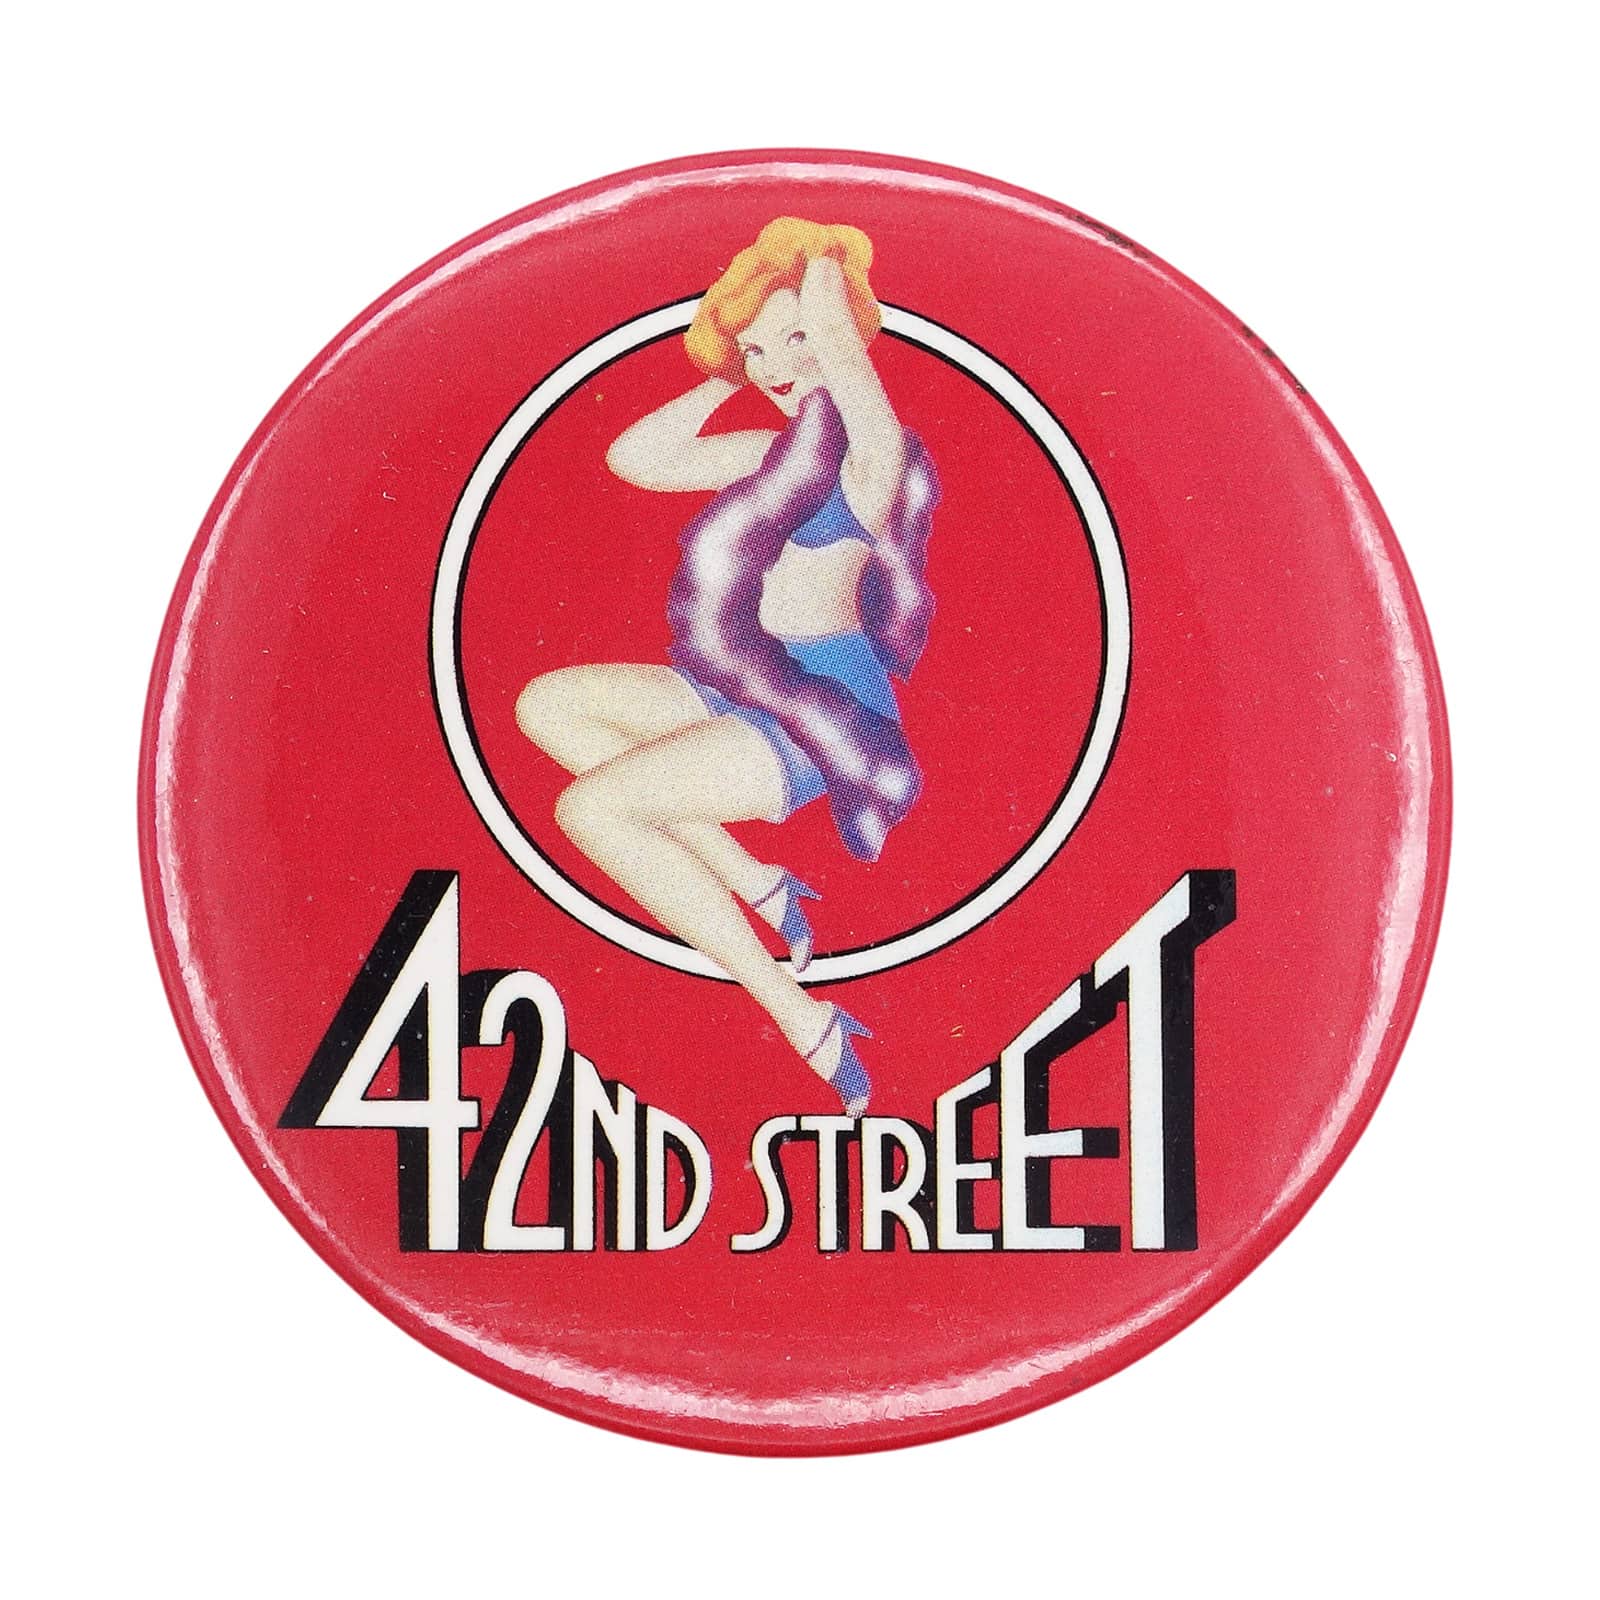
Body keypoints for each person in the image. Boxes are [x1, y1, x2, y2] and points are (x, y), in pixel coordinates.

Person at [515, 217, 939, 1116]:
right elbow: (636, 458)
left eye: (798, 339)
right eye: (759, 350)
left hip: (820, 709)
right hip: (739, 681)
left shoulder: (874, 463)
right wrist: (727, 362)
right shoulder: (770, 458)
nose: (777, 365)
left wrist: (818, 283)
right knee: (548, 707)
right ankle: (757, 882)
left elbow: (845, 360)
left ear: (841, 333)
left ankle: (800, 1015)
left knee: (590, 810)